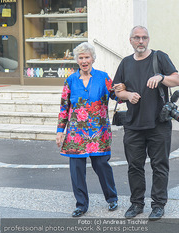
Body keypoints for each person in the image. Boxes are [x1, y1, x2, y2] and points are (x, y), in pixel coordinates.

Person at [113, 25, 179, 220]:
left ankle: (158, 205)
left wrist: (161, 77)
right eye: (136, 38)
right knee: (134, 166)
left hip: (159, 123)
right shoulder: (125, 63)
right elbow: (118, 90)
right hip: (133, 124)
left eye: (144, 37)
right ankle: (136, 204)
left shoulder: (160, 57)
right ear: (131, 41)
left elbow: (177, 80)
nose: (140, 41)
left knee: (160, 165)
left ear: (148, 39)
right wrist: (128, 95)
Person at [56, 42, 124, 217]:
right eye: (81, 57)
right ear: (76, 60)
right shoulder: (70, 80)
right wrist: (59, 131)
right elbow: (64, 107)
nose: (84, 60)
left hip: (98, 132)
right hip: (76, 134)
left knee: (102, 165)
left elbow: (117, 97)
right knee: (76, 170)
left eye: (87, 57)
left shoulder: (103, 77)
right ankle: (81, 204)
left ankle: (112, 198)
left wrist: (122, 90)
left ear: (93, 58)